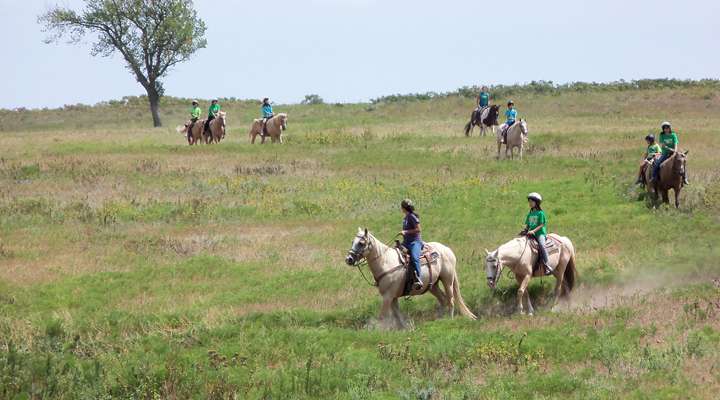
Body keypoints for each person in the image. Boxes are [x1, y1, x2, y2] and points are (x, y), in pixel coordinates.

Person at [399, 199, 424, 290]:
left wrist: (405, 232)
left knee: (414, 257)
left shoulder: (412, 216)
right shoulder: (405, 218)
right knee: (395, 252)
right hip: (406, 242)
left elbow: (418, 229)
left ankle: (418, 278)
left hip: (415, 242)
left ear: (404, 208)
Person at [524, 193, 550, 275]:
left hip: (539, 234)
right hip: (531, 234)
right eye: (529, 202)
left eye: (531, 201)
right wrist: (525, 230)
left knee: (542, 245)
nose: (530, 203)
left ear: (536, 202)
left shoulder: (540, 213)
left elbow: (542, 224)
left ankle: (547, 265)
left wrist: (533, 231)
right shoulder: (530, 214)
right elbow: (528, 225)